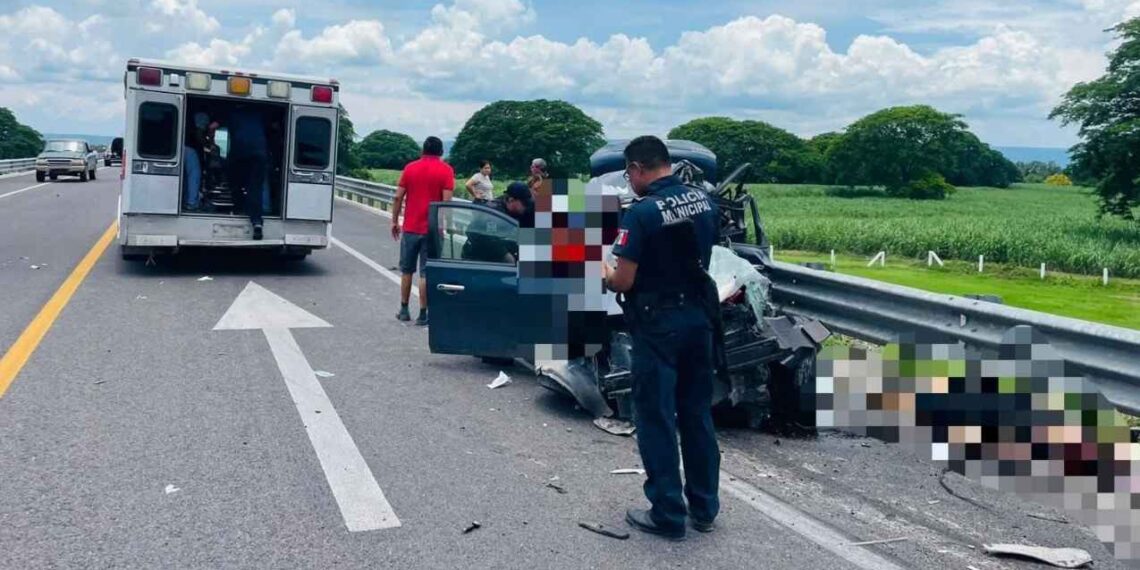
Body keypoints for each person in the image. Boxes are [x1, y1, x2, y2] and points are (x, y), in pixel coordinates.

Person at [602, 135, 721, 541]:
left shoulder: (640, 214)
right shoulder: (705, 201)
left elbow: (624, 279)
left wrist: (606, 274)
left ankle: (668, 514)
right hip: (699, 320)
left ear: (636, 169)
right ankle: (704, 508)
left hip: (657, 326)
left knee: (655, 417)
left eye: (628, 174)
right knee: (697, 414)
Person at [391, 136, 455, 326]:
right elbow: (446, 203)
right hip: (432, 229)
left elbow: (397, 197)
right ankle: (423, 313)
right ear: (441, 152)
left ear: (422, 150)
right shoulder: (446, 170)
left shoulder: (410, 168)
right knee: (426, 273)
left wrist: (395, 221)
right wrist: (446, 226)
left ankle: (403, 310)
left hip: (410, 227)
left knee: (406, 270)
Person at [217, 104, 269, 239]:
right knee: (255, 187)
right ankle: (257, 222)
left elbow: (213, 126)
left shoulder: (231, 113)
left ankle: (238, 207)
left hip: (240, 152)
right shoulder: (259, 113)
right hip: (260, 153)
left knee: (234, 180)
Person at [183, 112, 211, 212]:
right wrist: (207, 144)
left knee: (185, 177)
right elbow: (199, 133)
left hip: (180, 146)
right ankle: (192, 203)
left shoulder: (189, 116)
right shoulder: (202, 116)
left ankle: (186, 201)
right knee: (194, 175)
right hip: (190, 148)